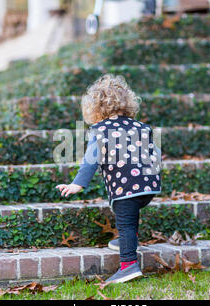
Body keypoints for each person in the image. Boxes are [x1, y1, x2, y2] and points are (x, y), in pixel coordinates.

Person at [56, 74, 162, 283]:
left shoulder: (100, 130)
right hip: (149, 186)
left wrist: (77, 183)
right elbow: (157, 154)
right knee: (130, 219)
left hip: (126, 188)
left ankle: (129, 265)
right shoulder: (140, 127)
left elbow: (90, 160)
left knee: (126, 223)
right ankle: (127, 241)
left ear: (94, 109)